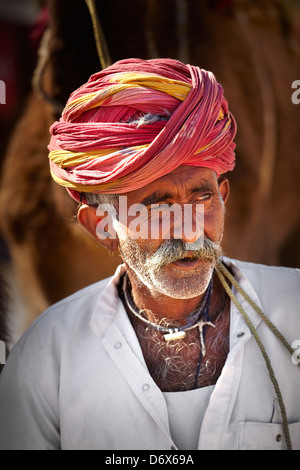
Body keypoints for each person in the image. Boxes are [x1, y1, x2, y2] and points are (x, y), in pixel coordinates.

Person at [0, 58, 299, 451]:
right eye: (158, 207)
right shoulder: (45, 357)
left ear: (223, 198)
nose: (190, 229)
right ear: (102, 227)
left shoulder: (293, 309)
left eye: (203, 196)